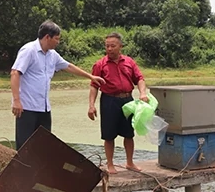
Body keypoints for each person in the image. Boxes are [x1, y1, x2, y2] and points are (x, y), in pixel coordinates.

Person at [11, 20, 104, 149]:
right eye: (56, 38)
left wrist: (91, 77)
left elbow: (68, 66)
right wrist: (16, 101)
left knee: (44, 145)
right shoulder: (29, 50)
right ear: (47, 37)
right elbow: (15, 73)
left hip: (44, 108)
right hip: (26, 107)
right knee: (24, 146)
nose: (58, 42)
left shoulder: (52, 55)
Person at [87, 32, 149, 174]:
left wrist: (143, 93)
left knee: (129, 133)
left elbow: (139, 79)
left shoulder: (129, 62)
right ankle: (110, 164)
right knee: (109, 135)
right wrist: (91, 106)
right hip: (109, 101)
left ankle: (130, 162)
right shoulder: (100, 65)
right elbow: (94, 86)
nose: (109, 49)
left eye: (113, 46)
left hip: (127, 100)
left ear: (120, 46)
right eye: (107, 46)